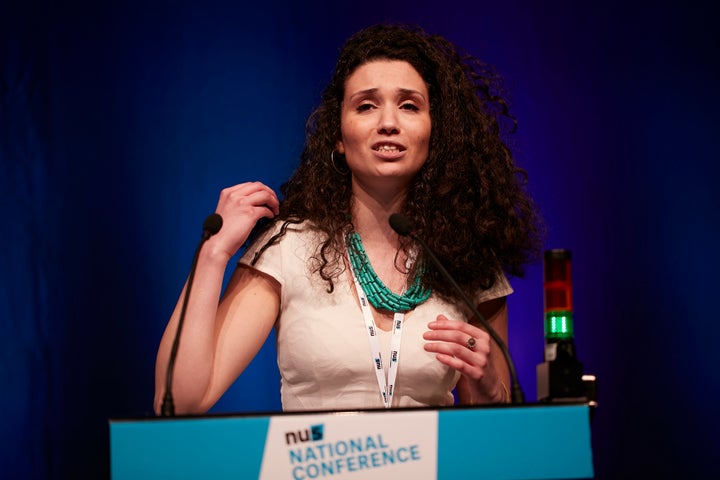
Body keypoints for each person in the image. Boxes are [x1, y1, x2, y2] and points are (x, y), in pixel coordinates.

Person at [153, 23, 543, 415]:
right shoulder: (289, 248)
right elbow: (180, 402)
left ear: (435, 131)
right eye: (366, 105)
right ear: (338, 136)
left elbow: (491, 427)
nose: (388, 122)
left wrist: (493, 391)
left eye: (409, 105)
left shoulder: (466, 258)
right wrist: (214, 253)